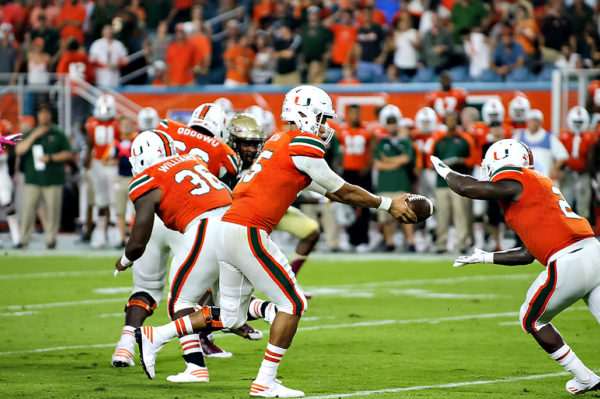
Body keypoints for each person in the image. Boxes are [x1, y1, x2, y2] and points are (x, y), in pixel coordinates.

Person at [135, 85, 417, 397]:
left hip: (228, 227)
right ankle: (265, 381)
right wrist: (389, 205)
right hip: (248, 230)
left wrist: (372, 201)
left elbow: (329, 192)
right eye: (322, 118)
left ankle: (157, 334)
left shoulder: (278, 142)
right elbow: (341, 190)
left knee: (230, 316)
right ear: (304, 114)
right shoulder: (301, 142)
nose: (326, 126)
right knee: (294, 303)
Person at [431, 139, 600, 396]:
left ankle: (584, 377)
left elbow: (468, 187)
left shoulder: (517, 177)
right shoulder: (535, 186)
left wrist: (445, 171)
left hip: (567, 261)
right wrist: (485, 257)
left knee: (531, 319)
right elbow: (526, 254)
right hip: (593, 253)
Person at [111, 103, 244, 372]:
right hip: (193, 221)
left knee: (147, 288)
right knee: (196, 292)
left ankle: (125, 345)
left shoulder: (166, 127)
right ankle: (202, 348)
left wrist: (125, 259)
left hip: (156, 217)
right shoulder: (217, 154)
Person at [228, 113, 321, 282]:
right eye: (246, 144)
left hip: (273, 212)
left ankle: (290, 282)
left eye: (255, 144)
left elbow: (282, 191)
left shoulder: (266, 157)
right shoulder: (226, 161)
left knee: (311, 231)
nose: (252, 149)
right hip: (241, 219)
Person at [15, 104, 72, 249]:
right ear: (37, 115)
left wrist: (51, 158)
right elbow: (19, 150)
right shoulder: (30, 133)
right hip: (33, 179)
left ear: (50, 115)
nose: (44, 116)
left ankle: (51, 239)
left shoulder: (58, 133)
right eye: (41, 113)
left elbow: (68, 153)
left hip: (53, 179)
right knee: (28, 210)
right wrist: (34, 135)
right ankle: (23, 238)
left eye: (47, 112)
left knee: (53, 211)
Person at [373, 105, 416, 252]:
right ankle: (389, 242)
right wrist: (396, 162)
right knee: (385, 218)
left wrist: (389, 161)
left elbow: (406, 159)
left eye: (394, 122)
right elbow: (378, 164)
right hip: (385, 184)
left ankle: (410, 242)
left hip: (401, 183)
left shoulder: (405, 142)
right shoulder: (381, 142)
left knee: (407, 215)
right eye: (389, 122)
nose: (392, 125)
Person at [431, 112, 472, 254]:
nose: (451, 122)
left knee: (461, 214)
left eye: (453, 120)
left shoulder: (464, 138)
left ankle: (462, 243)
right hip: (442, 183)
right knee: (442, 215)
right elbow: (430, 162)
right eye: (448, 120)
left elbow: (473, 159)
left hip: (459, 183)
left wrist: (460, 160)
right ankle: (441, 244)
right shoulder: (439, 139)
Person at [337, 104, 376, 251]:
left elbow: (372, 150)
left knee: (365, 204)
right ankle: (350, 238)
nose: (354, 116)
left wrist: (368, 166)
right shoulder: (342, 131)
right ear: (348, 114)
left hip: (363, 172)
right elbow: (338, 153)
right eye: (352, 113)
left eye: (357, 113)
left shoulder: (367, 130)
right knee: (348, 206)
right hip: (348, 172)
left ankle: (363, 239)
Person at [84, 94, 120, 248]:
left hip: (112, 164)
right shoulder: (91, 123)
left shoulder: (118, 124)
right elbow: (90, 144)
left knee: (114, 200)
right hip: (98, 164)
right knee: (100, 200)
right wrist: (87, 161)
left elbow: (123, 145)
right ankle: (100, 233)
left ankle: (115, 231)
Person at [558, 106, 596, 221]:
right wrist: (560, 169)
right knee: (565, 201)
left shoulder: (590, 136)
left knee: (583, 203)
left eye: (580, 122)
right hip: (568, 173)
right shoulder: (564, 136)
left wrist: (587, 171)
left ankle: (584, 231)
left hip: (583, 174)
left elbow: (592, 158)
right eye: (576, 122)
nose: (578, 124)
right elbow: (560, 155)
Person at [512, 109, 568, 180]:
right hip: (524, 180)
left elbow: (562, 155)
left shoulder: (549, 137)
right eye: (532, 121)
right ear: (527, 122)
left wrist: (554, 169)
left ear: (540, 122)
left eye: (536, 121)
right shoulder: (518, 137)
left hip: (544, 180)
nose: (534, 123)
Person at [113, 115, 136, 248]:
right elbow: (107, 159)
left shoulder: (137, 140)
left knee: (136, 211)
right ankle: (121, 238)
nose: (126, 127)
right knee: (120, 211)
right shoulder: (115, 142)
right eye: (124, 124)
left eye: (128, 124)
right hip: (121, 178)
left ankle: (134, 238)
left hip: (134, 178)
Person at [0, 121, 21, 247]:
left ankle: (16, 237)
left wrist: (13, 172)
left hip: (2, 174)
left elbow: (12, 150)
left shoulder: (4, 126)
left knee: (8, 203)